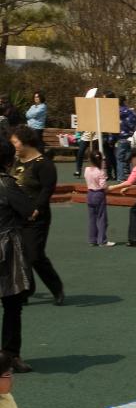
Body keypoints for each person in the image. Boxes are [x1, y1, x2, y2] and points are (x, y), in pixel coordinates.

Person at [10, 124, 64, 305]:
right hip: (16, 215)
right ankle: (26, 289)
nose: (14, 146)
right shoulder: (16, 161)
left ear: (26, 143)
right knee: (19, 254)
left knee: (34, 255)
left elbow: (47, 190)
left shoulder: (44, 165)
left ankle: (56, 288)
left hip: (36, 217)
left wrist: (37, 209)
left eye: (15, 142)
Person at [0, 137, 35, 372]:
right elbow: (28, 211)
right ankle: (10, 355)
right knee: (12, 304)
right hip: (6, 247)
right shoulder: (7, 184)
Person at [83, 146, 114, 247]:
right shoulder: (100, 171)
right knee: (101, 218)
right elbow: (103, 185)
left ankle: (93, 239)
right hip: (99, 194)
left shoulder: (87, 169)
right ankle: (102, 240)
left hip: (90, 194)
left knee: (92, 218)